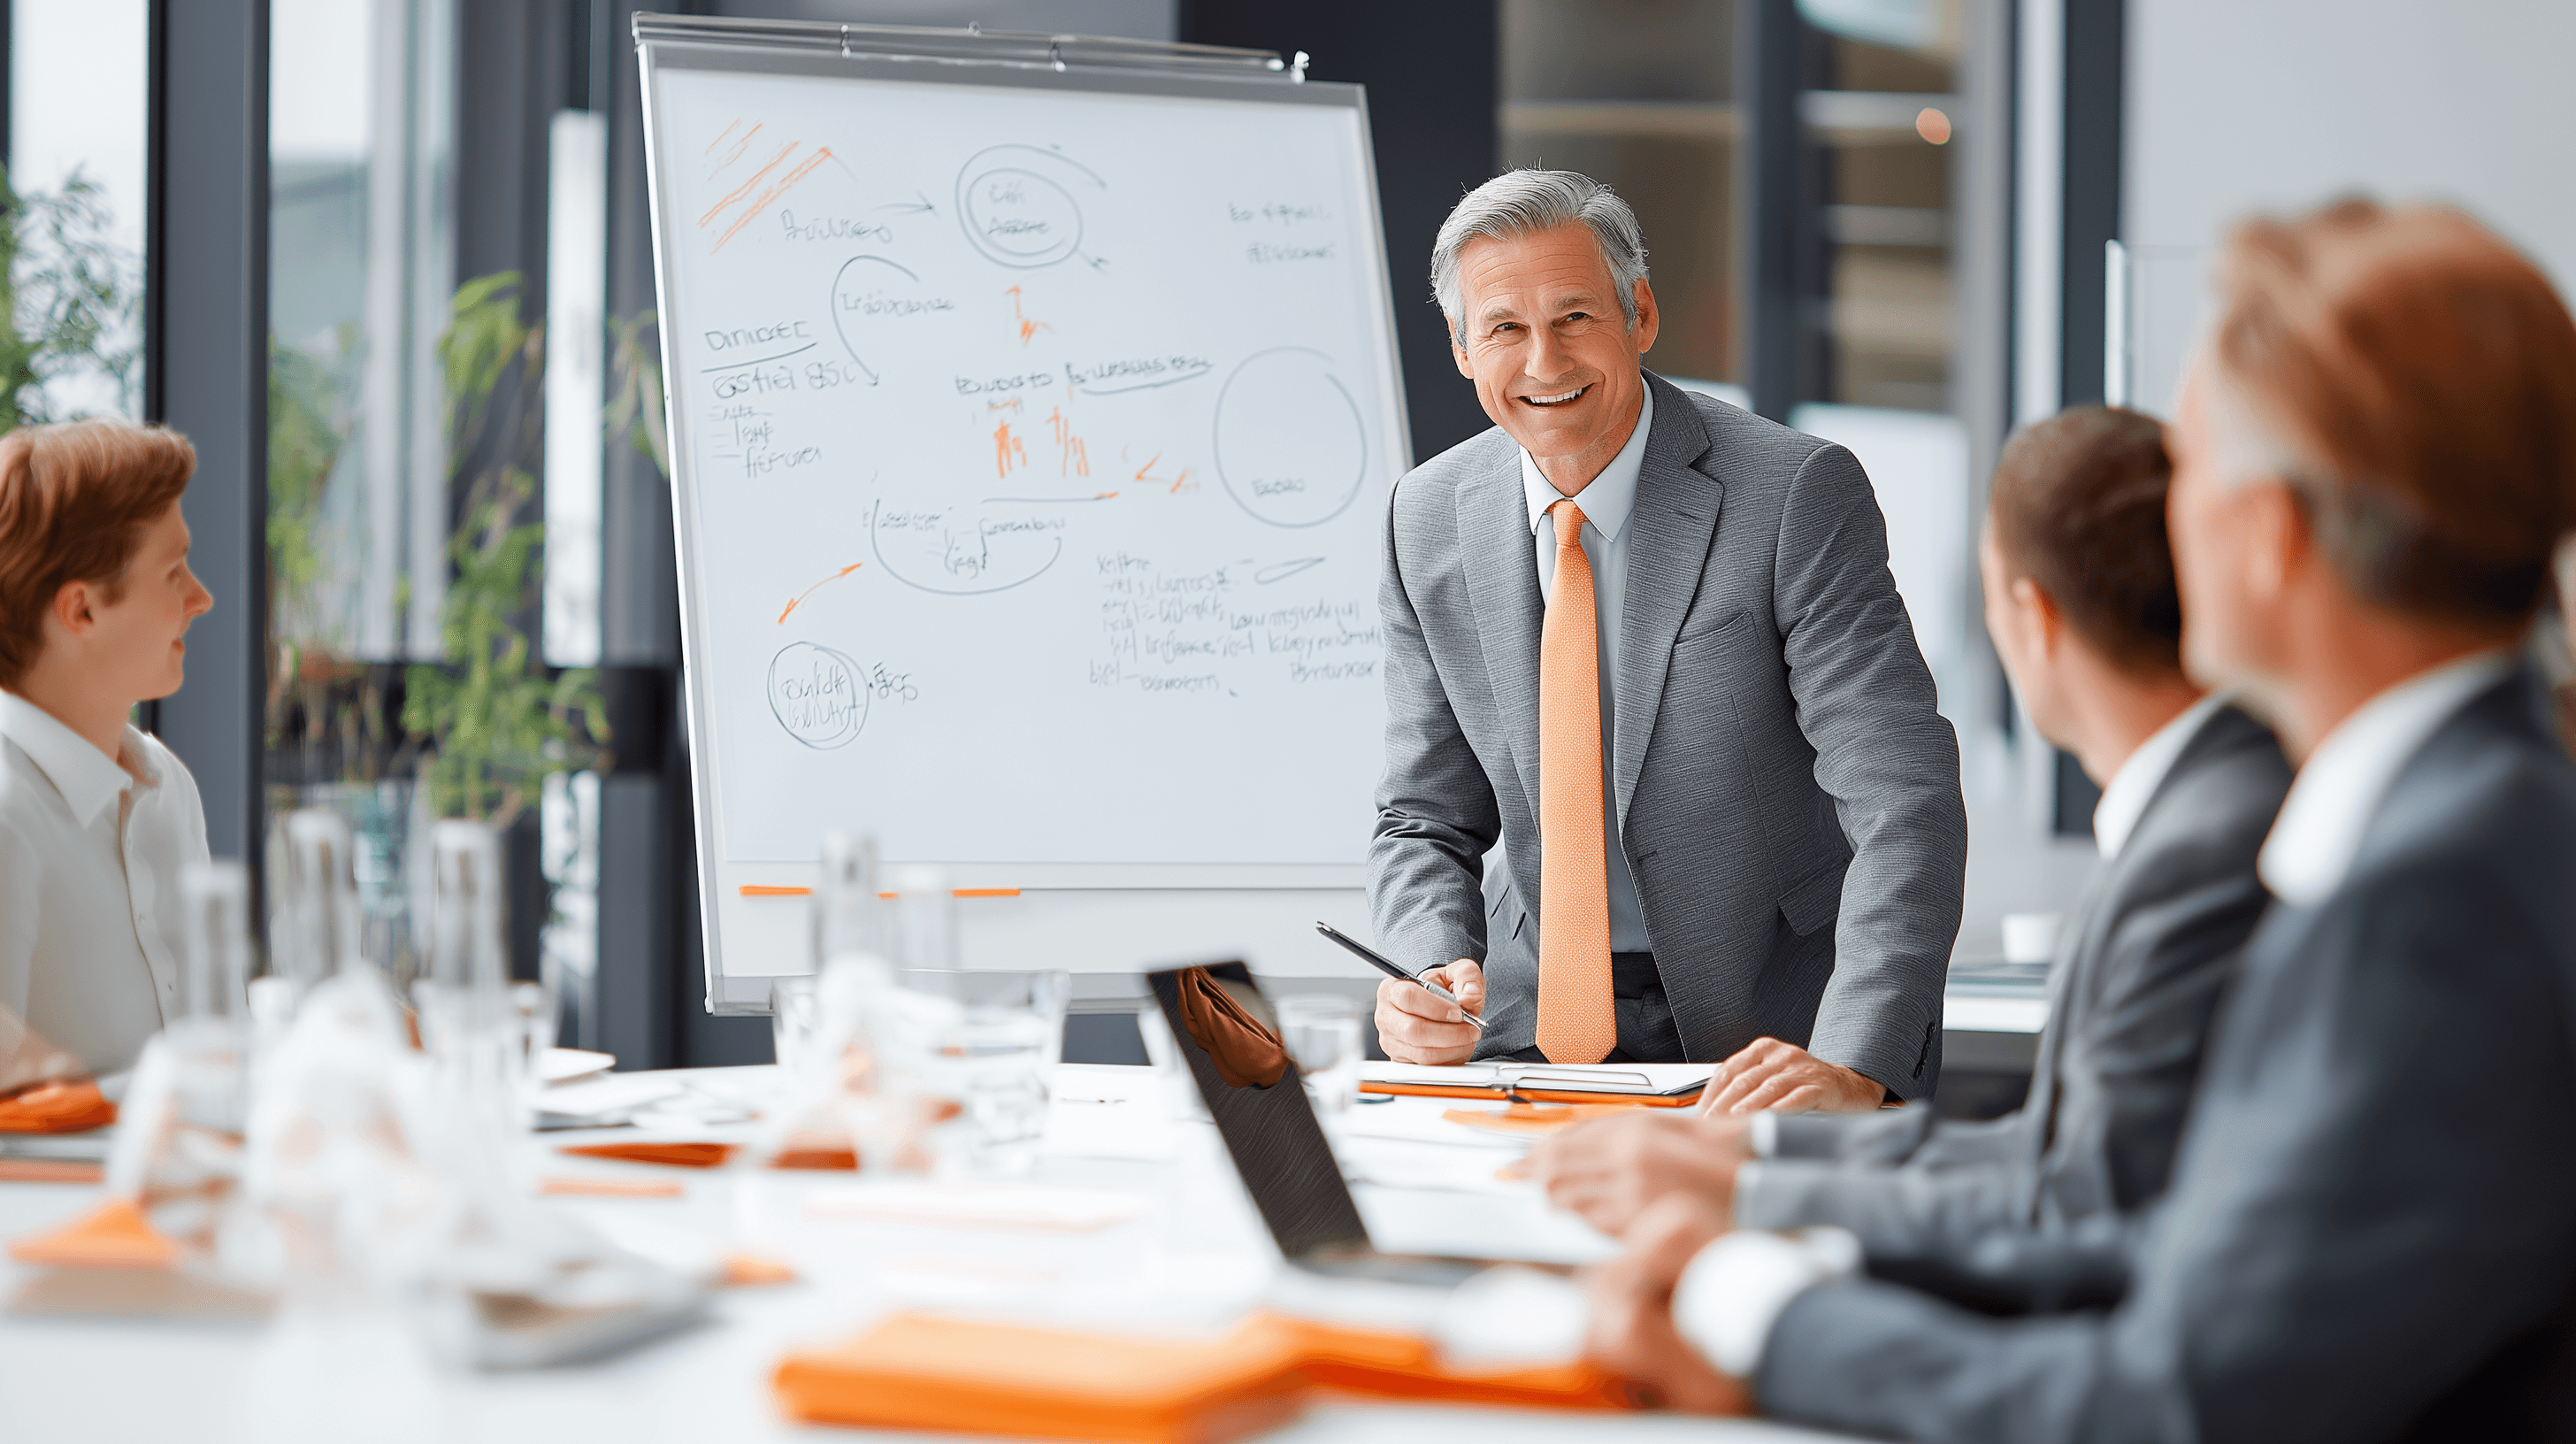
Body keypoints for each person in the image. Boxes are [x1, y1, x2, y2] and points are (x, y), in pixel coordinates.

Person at [1586, 198, 2576, 1440]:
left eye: (2194, 475)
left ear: (2267, 540)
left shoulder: (2430, 899)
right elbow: (2188, 1254)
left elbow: (2184, 1400)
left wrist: (1765, 1318)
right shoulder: (2478, 818)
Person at [1525, 406, 2290, 1246]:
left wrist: (1759, 1243)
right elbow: (2057, 1163)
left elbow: (2076, 1210)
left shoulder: (2199, 855)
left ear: (2031, 621)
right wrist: (1767, 1148)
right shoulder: (2216, 815)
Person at [1368, 169, 1966, 1109]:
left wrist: (1854, 1061)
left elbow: (1903, 800)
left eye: (1573, 318)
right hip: (1521, 1037)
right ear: (1458, 348)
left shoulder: (1793, 495)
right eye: (1504, 329)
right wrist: (1426, 969)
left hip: (1771, 1040)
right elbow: (1422, 818)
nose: (1543, 363)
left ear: (1638, 313)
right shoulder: (1424, 516)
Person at [0, 418, 214, 1077]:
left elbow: (212, 1049)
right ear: (82, 611)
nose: (201, 599)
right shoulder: (7, 809)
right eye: (174, 571)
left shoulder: (166, 784)